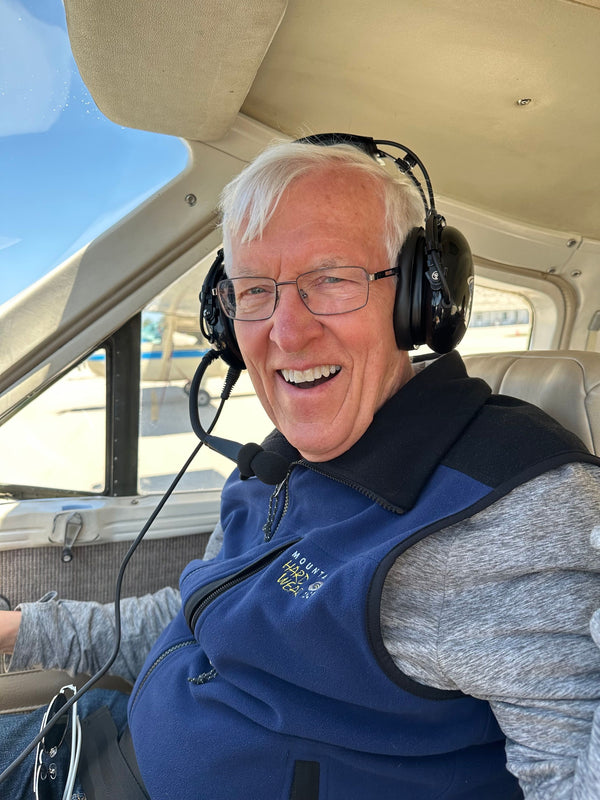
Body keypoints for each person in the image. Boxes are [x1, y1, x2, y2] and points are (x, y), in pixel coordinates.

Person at [2, 136, 600, 800]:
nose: (286, 333)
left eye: (332, 279)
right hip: (93, 741)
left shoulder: (519, 514)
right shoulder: (280, 463)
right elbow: (207, 614)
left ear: (418, 300)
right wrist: (22, 630)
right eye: (256, 291)